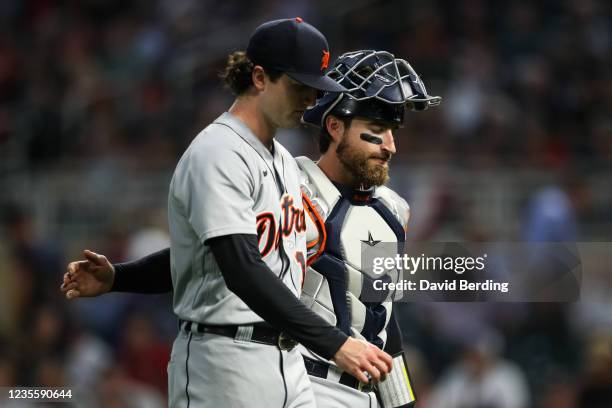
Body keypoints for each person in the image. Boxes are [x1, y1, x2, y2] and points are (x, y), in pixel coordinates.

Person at [62, 49, 440, 406]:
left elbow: (382, 322)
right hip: (306, 380)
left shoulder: (393, 210)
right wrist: (121, 278)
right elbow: (216, 256)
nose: (390, 145)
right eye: (377, 127)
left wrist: (401, 402)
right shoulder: (293, 183)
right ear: (336, 125)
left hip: (364, 392)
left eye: (394, 130)